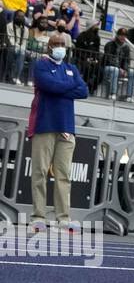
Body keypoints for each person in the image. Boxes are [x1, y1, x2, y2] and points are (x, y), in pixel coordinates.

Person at [26, 32, 89, 231]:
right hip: (44, 125)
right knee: (40, 172)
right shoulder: (41, 65)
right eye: (56, 43)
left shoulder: (71, 67)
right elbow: (49, 85)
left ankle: (63, 218)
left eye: (62, 43)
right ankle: (38, 216)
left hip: (66, 127)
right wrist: (70, 86)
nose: (60, 46)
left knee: (63, 174)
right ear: (49, 47)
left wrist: (61, 87)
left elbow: (84, 91)